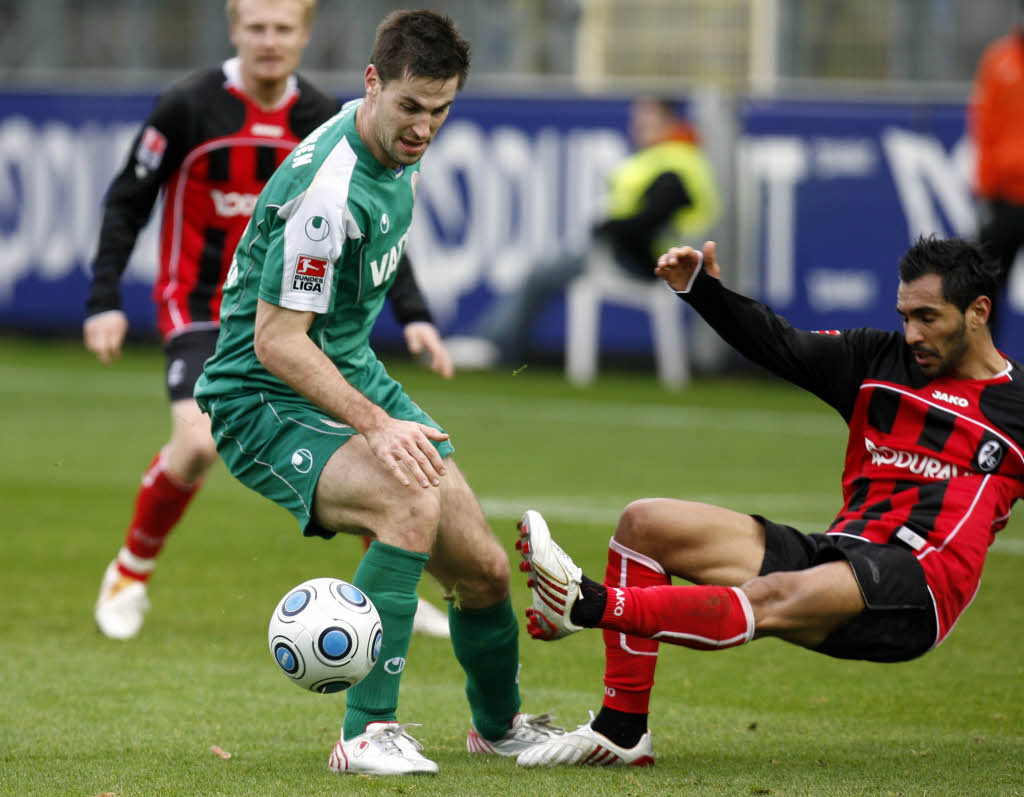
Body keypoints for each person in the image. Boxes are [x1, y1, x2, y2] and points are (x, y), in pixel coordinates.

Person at [193, 9, 563, 776]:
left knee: (486, 571)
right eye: (411, 107)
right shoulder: (328, 192)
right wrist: (377, 425)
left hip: (348, 371)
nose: (425, 127)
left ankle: (500, 727)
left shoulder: (394, 143)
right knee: (406, 498)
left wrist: (390, 374)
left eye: (442, 110)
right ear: (372, 83)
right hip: (259, 397)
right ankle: (365, 734)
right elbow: (276, 341)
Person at [513, 236, 1024, 767]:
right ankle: (621, 732)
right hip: (842, 550)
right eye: (905, 316)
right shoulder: (880, 360)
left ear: (978, 312)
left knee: (773, 592)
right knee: (646, 522)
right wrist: (701, 291)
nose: (912, 333)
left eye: (927, 317)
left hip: (918, 583)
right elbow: (782, 343)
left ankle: (586, 605)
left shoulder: (1017, 408)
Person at [85, 0, 451, 642]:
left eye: (283, 28)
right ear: (234, 30)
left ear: (305, 36)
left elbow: (375, 222)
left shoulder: (325, 117)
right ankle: (129, 572)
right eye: (255, 27)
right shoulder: (187, 107)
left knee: (374, 445)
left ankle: (383, 579)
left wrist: (414, 314)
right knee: (196, 444)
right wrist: (104, 298)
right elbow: (127, 200)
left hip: (294, 311)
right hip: (203, 305)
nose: (268, 40)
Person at [444, 96, 719, 369]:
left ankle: (493, 345)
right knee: (542, 272)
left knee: (539, 274)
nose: (638, 125)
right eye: (638, 118)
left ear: (669, 122)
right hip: (647, 257)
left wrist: (607, 229)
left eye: (647, 118)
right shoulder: (672, 158)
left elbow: (653, 216)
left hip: (642, 259)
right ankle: (492, 343)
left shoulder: (674, 163)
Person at [969, 5, 1024, 348]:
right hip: (1005, 197)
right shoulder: (999, 60)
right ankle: (984, 367)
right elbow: (983, 123)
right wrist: (986, 185)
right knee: (984, 283)